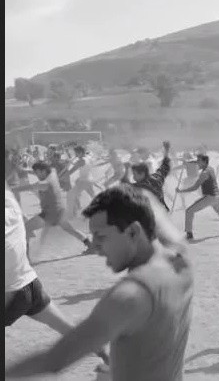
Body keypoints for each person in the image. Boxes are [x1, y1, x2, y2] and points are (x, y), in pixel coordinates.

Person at [5, 184, 194, 380]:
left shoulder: (129, 296)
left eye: (101, 236)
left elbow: (54, 360)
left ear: (133, 232)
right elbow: (149, 202)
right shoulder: (180, 260)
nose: (95, 247)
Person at [4, 186, 109, 368]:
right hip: (30, 285)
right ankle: (109, 356)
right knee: (69, 330)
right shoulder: (10, 202)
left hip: (9, 293)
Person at [11, 161, 95, 257]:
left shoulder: (45, 184)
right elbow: (46, 170)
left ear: (43, 171)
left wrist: (12, 190)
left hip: (50, 214)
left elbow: (30, 187)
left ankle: (25, 258)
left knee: (25, 229)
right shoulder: (52, 174)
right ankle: (90, 245)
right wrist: (25, 170)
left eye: (37, 173)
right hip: (60, 211)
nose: (36, 175)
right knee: (71, 230)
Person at [176, 153, 219, 240]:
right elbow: (196, 161)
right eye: (197, 161)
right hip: (216, 196)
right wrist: (187, 162)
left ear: (204, 162)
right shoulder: (210, 168)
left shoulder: (204, 173)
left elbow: (195, 187)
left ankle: (189, 234)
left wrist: (181, 191)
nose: (197, 163)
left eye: (199, 161)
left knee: (189, 211)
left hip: (209, 197)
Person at [122, 141, 172, 211]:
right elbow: (165, 165)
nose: (133, 177)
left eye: (134, 174)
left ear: (142, 174)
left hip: (155, 214)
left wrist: (126, 169)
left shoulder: (141, 186)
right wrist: (167, 150)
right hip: (164, 210)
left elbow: (124, 185)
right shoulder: (157, 177)